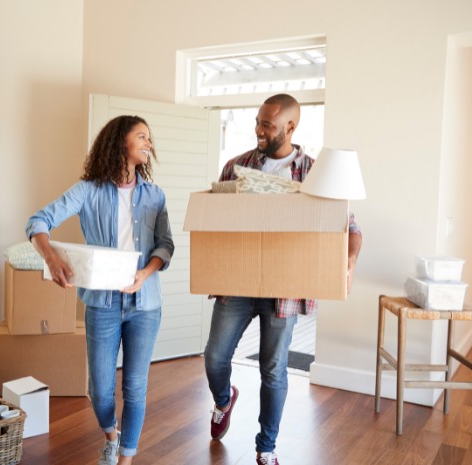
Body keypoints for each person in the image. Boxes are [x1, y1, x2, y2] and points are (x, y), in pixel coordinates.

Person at [204, 94, 362, 465]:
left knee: (273, 368)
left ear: (290, 127)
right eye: (258, 122)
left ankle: (266, 447)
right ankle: (224, 400)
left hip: (285, 288)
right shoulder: (236, 166)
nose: (259, 130)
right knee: (214, 357)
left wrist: (349, 261)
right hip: (238, 283)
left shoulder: (315, 173)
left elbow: (350, 227)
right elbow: (215, 220)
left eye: (267, 124)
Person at [25, 115, 174, 465]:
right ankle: (111, 435)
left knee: (135, 388)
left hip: (146, 305)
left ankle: (125, 458)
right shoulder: (87, 190)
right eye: (142, 137)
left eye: (149, 138)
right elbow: (37, 222)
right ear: (120, 141)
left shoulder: (155, 195)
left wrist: (146, 272)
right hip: (102, 305)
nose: (148, 144)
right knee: (100, 391)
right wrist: (51, 258)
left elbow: (165, 245)